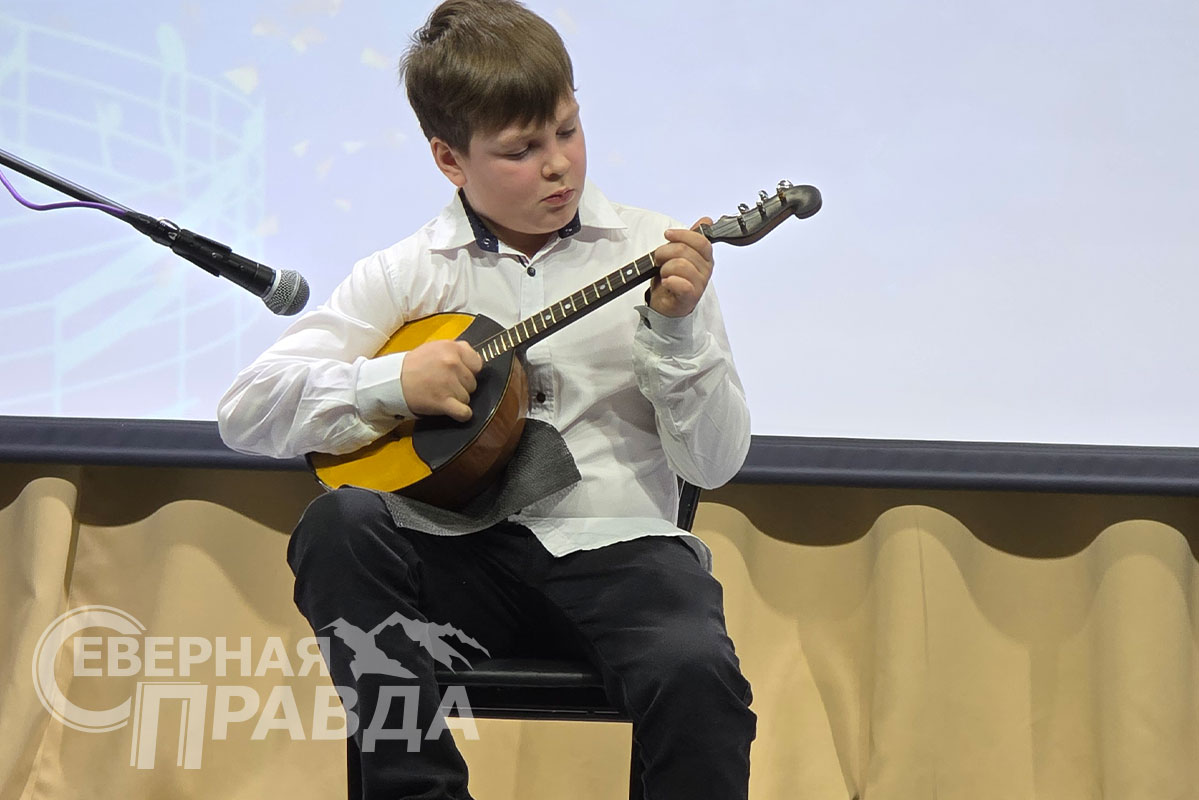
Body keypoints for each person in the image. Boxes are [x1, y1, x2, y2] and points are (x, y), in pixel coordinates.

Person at [217, 1, 755, 797]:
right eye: (521, 149)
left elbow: (714, 462)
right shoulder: (408, 272)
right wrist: (391, 383)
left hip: (621, 556)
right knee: (340, 524)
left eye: (567, 130)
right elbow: (246, 409)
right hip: (457, 564)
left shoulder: (659, 252)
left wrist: (675, 334)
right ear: (449, 159)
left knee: (696, 671)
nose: (558, 165)